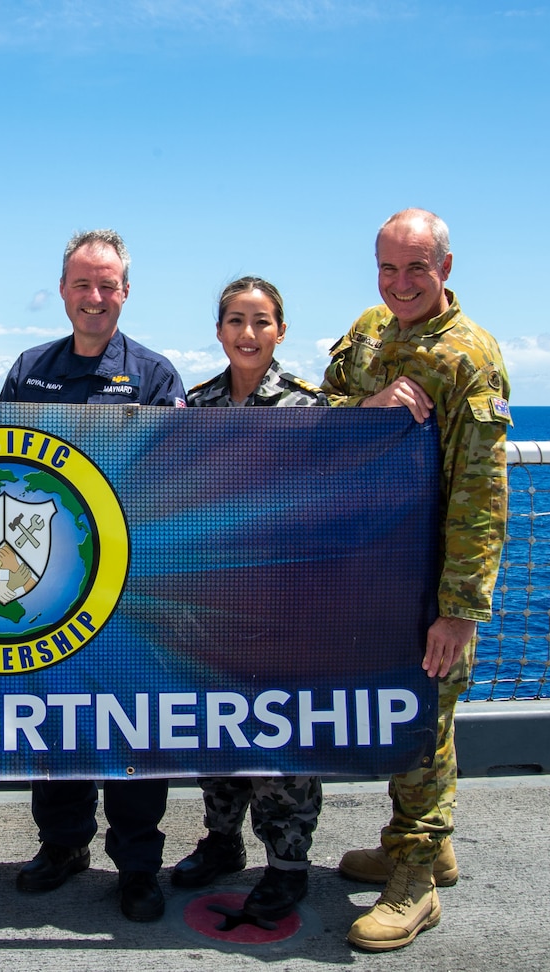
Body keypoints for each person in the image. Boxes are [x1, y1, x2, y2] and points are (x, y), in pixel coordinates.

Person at [321, 209, 511, 952]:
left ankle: (417, 880)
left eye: (417, 269)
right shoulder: (369, 330)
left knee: (425, 713)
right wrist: (366, 408)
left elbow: (481, 494)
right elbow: (320, 409)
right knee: (405, 707)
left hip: (428, 572)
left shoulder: (469, 357)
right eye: (389, 268)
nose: (401, 284)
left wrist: (459, 610)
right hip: (370, 560)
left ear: (447, 269)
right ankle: (424, 841)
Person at [0, 228, 185, 923]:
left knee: (134, 733)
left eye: (108, 284)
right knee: (57, 728)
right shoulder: (28, 370)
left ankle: (138, 865)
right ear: (63, 291)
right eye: (83, 283)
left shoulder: (156, 376)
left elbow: (170, 481)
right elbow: (0, 476)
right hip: (49, 591)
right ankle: (63, 847)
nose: (95, 296)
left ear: (126, 292)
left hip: (131, 595)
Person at [170, 276, 328, 924]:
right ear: (219, 330)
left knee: (278, 737)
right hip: (210, 603)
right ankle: (221, 841)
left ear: (281, 331)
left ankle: (288, 864)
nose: (248, 333)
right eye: (236, 320)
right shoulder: (197, 405)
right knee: (217, 732)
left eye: (262, 321)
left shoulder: (306, 407)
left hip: (278, 603)